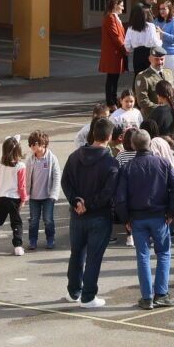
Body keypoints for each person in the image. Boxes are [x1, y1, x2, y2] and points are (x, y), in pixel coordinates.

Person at [111, 128, 174, 309]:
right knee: (163, 253)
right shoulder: (163, 163)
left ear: (133, 145)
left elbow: (120, 197)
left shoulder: (127, 167)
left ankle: (147, 297)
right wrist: (172, 212)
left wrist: (125, 219)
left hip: (137, 217)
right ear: (150, 143)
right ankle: (161, 293)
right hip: (159, 216)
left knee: (142, 256)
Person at [62, 117, 121, 308]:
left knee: (76, 253)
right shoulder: (111, 163)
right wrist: (89, 204)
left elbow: (65, 181)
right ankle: (88, 296)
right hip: (99, 216)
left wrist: (76, 201)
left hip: (77, 214)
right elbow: (108, 192)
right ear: (109, 137)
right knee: (94, 257)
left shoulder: (74, 157)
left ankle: (74, 291)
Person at [24, 130, 60, 251]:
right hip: (34, 197)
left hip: (48, 196)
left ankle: (50, 239)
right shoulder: (30, 160)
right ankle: (32, 240)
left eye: (34, 144)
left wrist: (54, 194)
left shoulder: (52, 159)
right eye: (30, 144)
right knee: (33, 220)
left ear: (43, 144)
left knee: (48, 219)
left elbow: (57, 176)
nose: (32, 147)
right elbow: (26, 178)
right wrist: (26, 194)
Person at [97, 0, 127, 105]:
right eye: (121, 5)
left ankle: (113, 100)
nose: (123, 8)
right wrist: (125, 48)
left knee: (114, 78)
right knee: (112, 78)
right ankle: (110, 102)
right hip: (113, 53)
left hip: (116, 53)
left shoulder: (115, 18)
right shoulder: (110, 18)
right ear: (115, 5)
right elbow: (116, 36)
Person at [123, 3, 160, 86]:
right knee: (149, 76)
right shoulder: (150, 26)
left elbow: (127, 44)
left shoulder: (131, 27)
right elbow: (155, 42)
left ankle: (137, 92)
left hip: (137, 53)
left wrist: (131, 50)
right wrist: (160, 39)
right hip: (148, 53)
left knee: (138, 75)